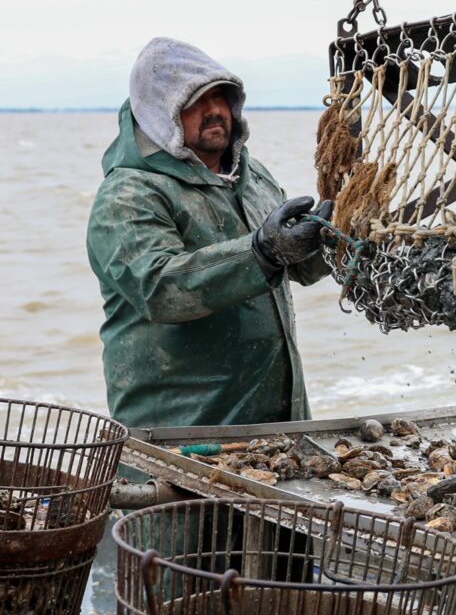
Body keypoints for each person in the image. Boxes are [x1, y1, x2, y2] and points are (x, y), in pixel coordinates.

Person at [87, 37, 334, 429]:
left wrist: (333, 238)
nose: (216, 110)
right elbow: (160, 288)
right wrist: (261, 252)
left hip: (278, 425)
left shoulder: (251, 179)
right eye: (196, 101)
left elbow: (298, 268)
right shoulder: (129, 193)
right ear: (157, 112)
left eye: (222, 97)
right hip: (178, 434)